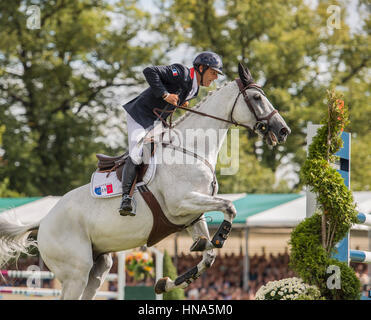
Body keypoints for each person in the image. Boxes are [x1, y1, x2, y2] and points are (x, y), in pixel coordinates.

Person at [119, 51, 223, 216]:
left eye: (217, 74)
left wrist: (182, 100)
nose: (215, 77)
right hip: (140, 116)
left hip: (156, 121)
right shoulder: (181, 73)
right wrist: (165, 95)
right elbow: (149, 71)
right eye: (213, 72)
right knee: (138, 153)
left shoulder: (194, 89)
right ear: (201, 68)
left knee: (173, 148)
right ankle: (126, 198)